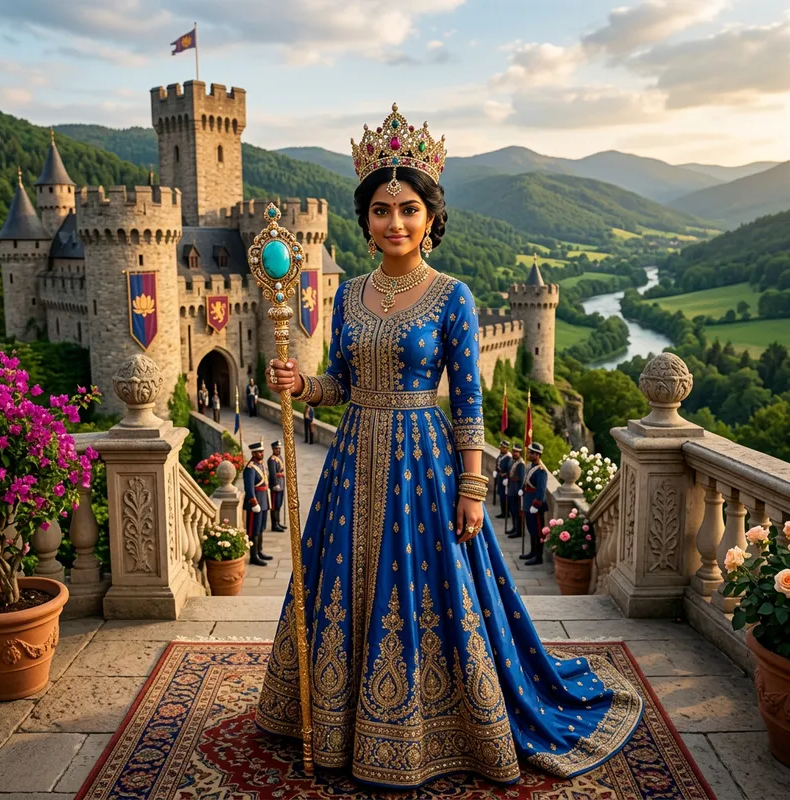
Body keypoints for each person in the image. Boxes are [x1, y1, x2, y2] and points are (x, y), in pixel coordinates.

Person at [255, 104, 642, 789]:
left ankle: (436, 724)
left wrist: (472, 487)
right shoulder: (349, 295)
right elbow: (340, 383)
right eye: (381, 210)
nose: (395, 223)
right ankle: (336, 720)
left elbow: (467, 400)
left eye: (408, 209)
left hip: (422, 464)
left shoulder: (452, 297)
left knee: (427, 592)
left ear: (431, 217)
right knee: (341, 584)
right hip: (352, 461)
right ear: (365, 220)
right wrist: (301, 383)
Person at [243, 441, 272, 566]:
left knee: (261, 527)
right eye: (259, 452)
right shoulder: (250, 468)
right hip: (255, 502)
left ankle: (259, 551)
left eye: (262, 451)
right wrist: (253, 502)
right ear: (253, 453)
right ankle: (253, 555)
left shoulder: (261, 465)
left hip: (264, 500)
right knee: (254, 529)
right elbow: (249, 488)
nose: (262, 454)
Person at [521, 442, 549, 565]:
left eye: (531, 453)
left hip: (535, 505)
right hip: (528, 503)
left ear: (538, 455)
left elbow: (541, 490)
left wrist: (536, 504)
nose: (529, 454)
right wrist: (522, 490)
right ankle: (532, 552)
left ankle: (538, 557)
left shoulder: (541, 471)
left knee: (538, 532)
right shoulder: (530, 467)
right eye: (529, 452)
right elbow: (526, 482)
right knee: (531, 529)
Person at [505, 443, 525, 539]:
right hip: (511, 489)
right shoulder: (512, 461)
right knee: (512, 510)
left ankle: (519, 531)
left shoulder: (521, 464)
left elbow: (522, 478)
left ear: (520, 453)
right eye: (514, 451)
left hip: (517, 490)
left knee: (517, 512)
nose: (515, 453)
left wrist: (521, 489)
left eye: (517, 452)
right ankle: (514, 528)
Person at [268, 440, 287, 532]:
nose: (278, 450)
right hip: (276, 485)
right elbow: (272, 473)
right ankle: (274, 524)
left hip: (281, 483)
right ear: (273, 449)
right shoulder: (272, 460)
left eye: (279, 448)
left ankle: (278, 522)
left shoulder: (280, 457)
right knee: (274, 506)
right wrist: (275, 484)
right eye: (276, 448)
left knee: (279, 504)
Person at [494, 439, 511, 519]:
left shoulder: (509, 458)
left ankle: (506, 512)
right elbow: (498, 464)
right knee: (501, 495)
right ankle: (503, 512)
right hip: (500, 478)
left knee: (504, 497)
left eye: (503, 447)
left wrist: (507, 477)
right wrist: (496, 471)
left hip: (505, 479)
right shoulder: (500, 455)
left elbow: (510, 469)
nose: (501, 448)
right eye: (501, 447)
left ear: (506, 448)